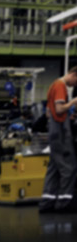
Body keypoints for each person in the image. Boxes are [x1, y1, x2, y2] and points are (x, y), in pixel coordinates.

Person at [39, 66, 77, 213]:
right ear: (74, 74)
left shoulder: (53, 85)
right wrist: (73, 102)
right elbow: (60, 109)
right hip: (61, 133)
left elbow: (50, 112)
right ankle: (64, 202)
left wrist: (68, 116)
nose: (75, 85)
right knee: (69, 167)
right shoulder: (60, 86)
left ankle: (47, 201)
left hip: (55, 131)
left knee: (54, 168)